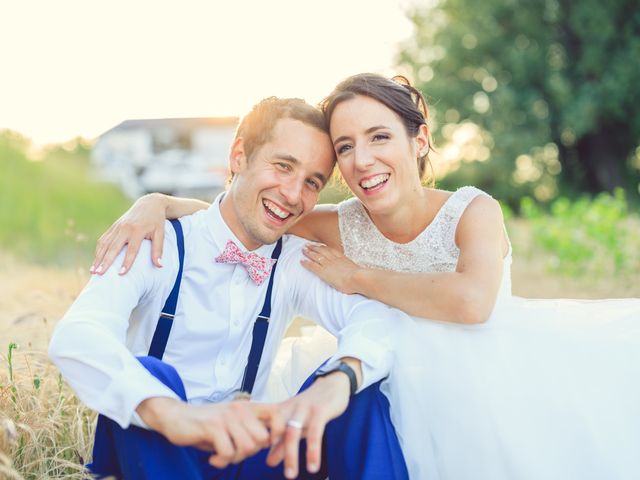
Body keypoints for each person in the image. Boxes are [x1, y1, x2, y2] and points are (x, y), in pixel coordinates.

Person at [92, 74, 640, 480]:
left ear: (418, 141)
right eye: (346, 147)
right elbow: (247, 214)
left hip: (481, 380)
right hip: (382, 374)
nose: (361, 160)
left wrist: (359, 277)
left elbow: (473, 302)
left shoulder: (472, 212)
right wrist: (157, 202)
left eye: (379, 137)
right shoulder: (338, 222)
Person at [49, 96, 413, 480]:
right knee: (152, 373)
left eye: (311, 182)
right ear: (239, 156)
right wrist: (173, 415)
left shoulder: (293, 261)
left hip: (248, 454)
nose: (292, 195)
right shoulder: (158, 241)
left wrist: (342, 379)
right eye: (282, 166)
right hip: (154, 450)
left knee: (359, 392)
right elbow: (77, 334)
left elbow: (374, 317)